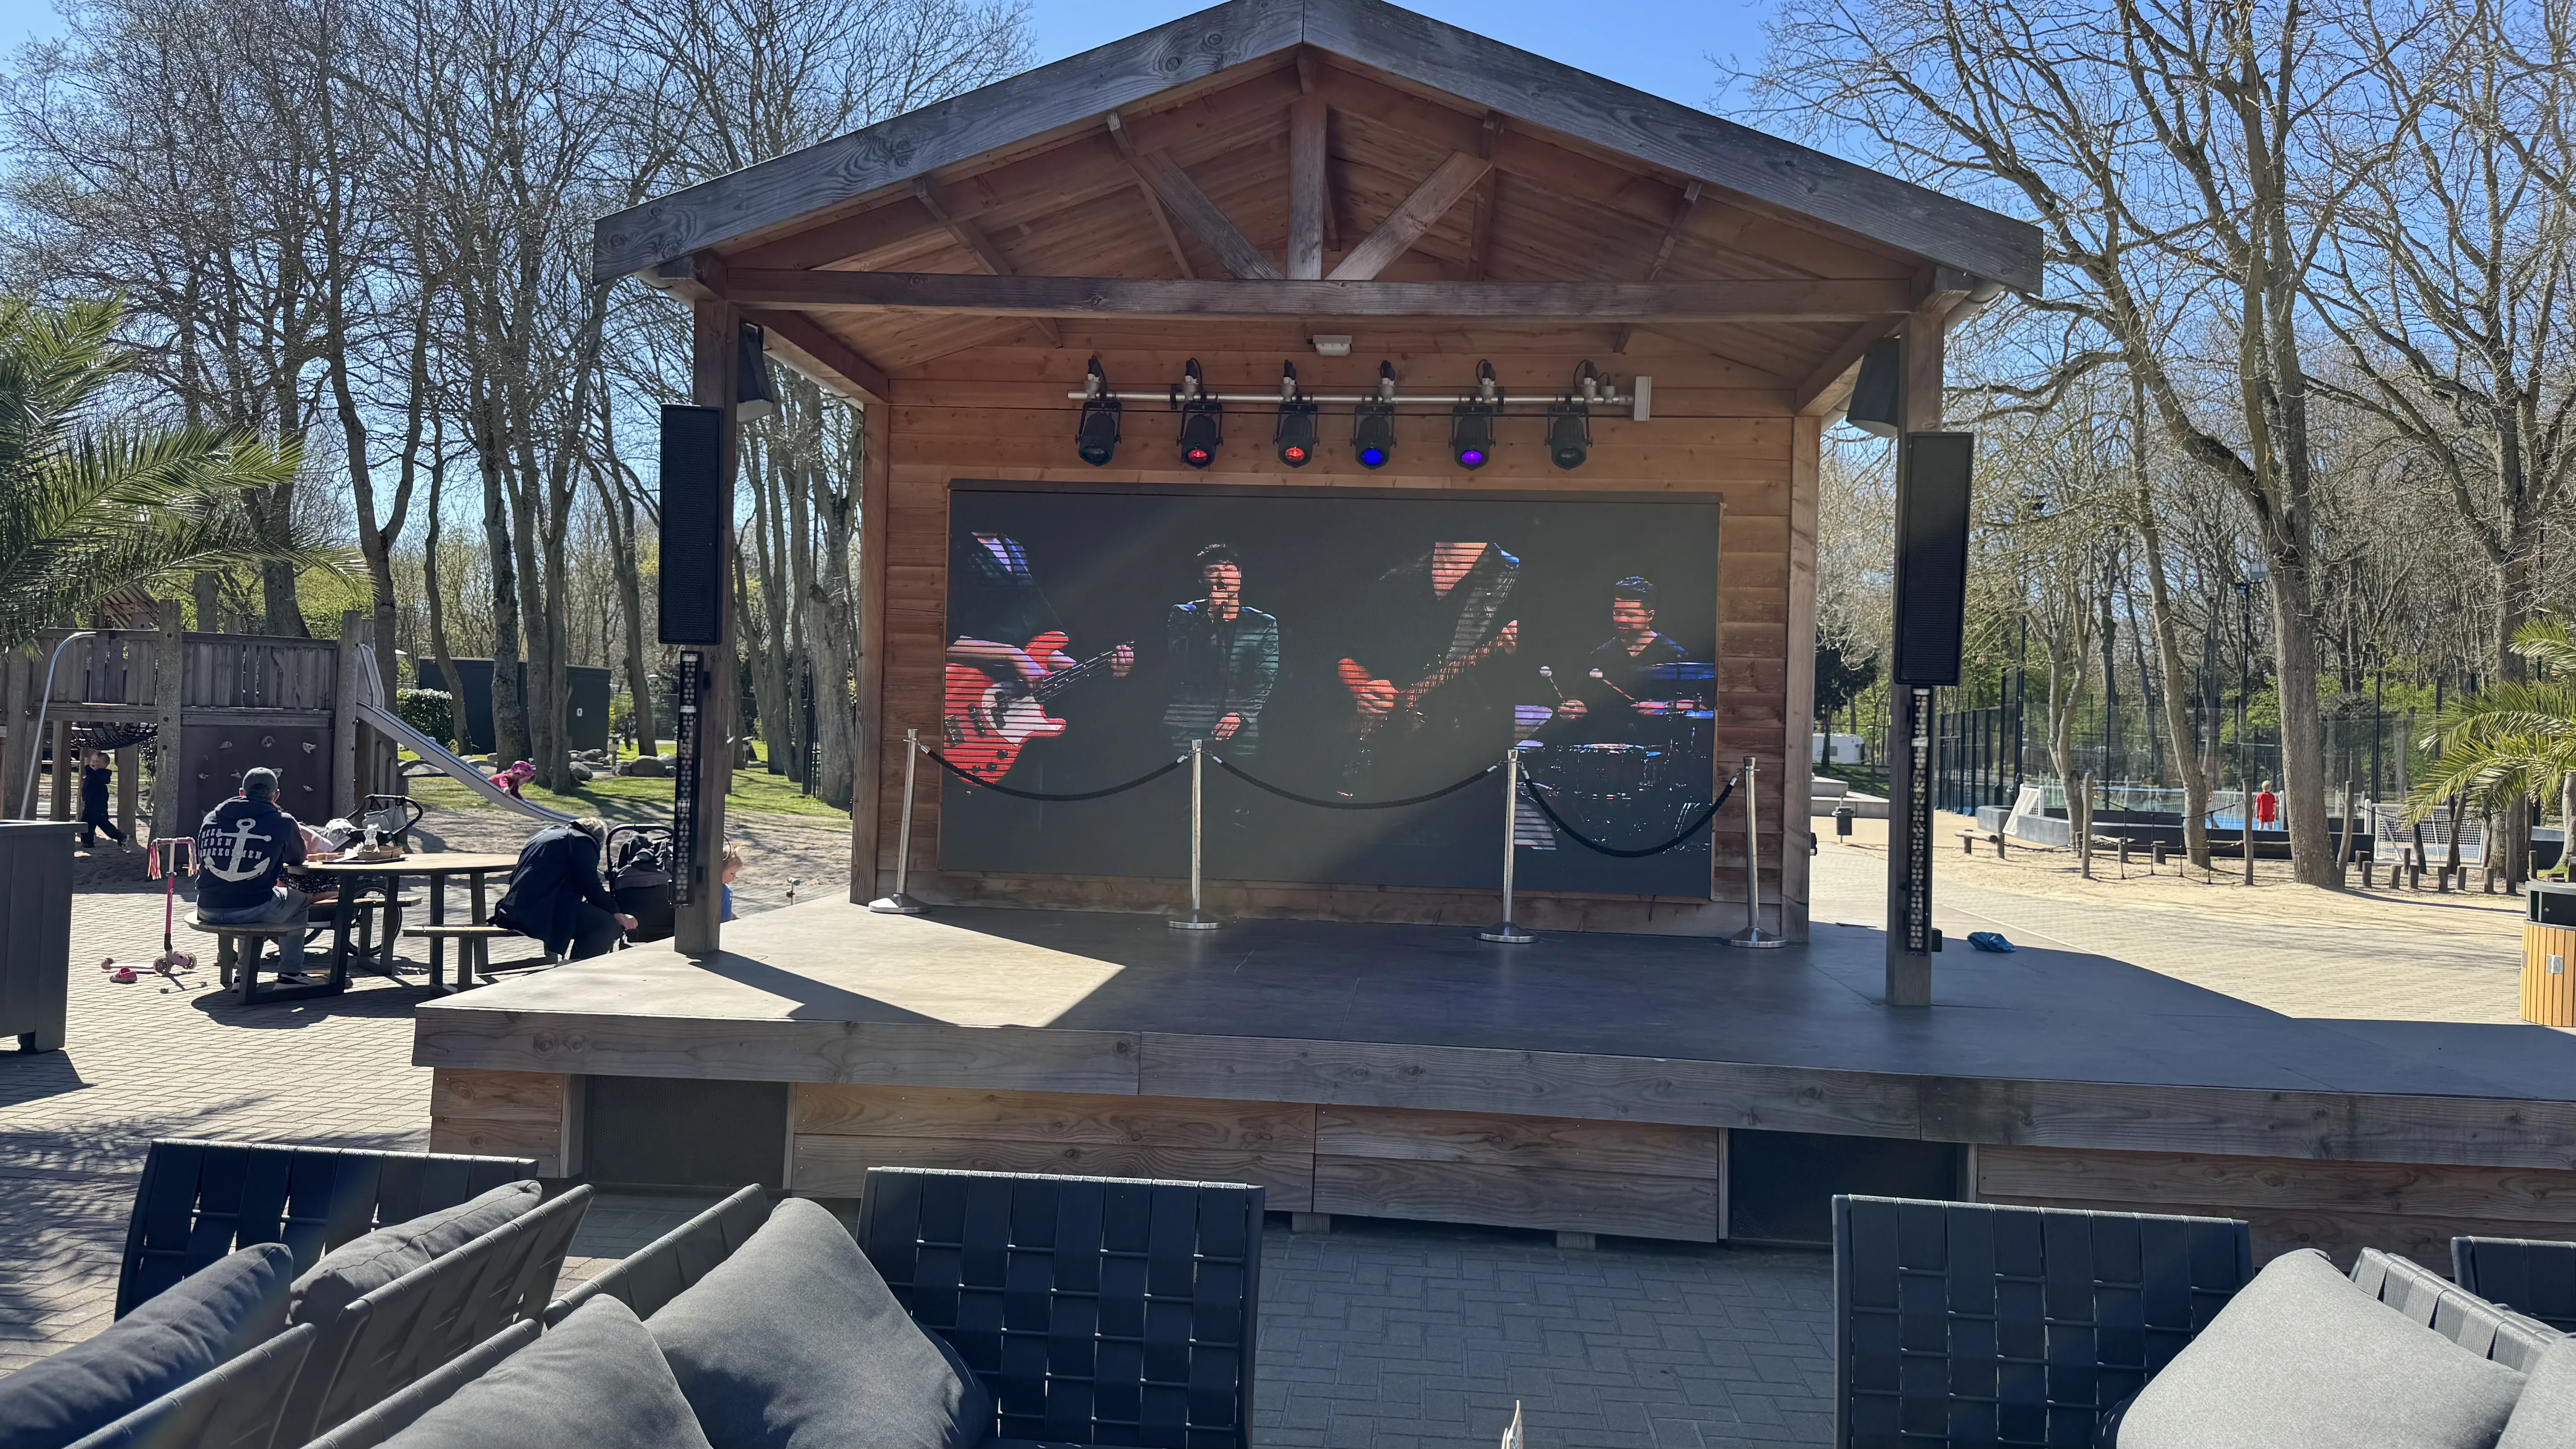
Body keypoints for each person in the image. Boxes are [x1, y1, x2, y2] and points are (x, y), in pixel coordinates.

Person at [1338, 541, 1522, 785]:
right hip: (1389, 761)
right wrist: (1365, 690)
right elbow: (1345, 652)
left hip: (1468, 765)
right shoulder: (1396, 570)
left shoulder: (1517, 581)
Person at [1162, 544, 1279, 760]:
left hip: (1241, 727)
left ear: (1240, 575)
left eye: (1227, 568)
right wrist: (1210, 617)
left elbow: (1265, 675)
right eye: (1213, 571)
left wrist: (1241, 715)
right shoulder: (1184, 615)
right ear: (1202, 580)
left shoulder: (1262, 623)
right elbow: (1182, 659)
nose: (1221, 576)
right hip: (1189, 724)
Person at [1546, 577, 1693, 745]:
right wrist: (1575, 707)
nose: (1622, 620)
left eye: (1631, 615)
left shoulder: (1674, 655)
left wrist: (1666, 707)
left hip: (1659, 746)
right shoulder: (1600, 656)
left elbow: (1700, 707)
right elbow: (1581, 699)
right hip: (1608, 746)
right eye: (1618, 613)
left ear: (1649, 616)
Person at [193, 767, 311, 977]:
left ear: (242, 793)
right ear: (276, 796)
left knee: (248, 897)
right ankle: (291, 975)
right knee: (298, 901)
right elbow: (297, 859)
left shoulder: (212, 817)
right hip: (250, 909)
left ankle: (243, 976)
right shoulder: (282, 821)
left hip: (206, 907)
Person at [492, 816, 637, 962]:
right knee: (606, 923)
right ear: (598, 839)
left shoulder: (546, 835)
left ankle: (574, 964)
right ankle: (578, 968)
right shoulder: (582, 842)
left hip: (511, 910)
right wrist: (616, 913)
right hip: (540, 912)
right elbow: (590, 884)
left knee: (588, 916)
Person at [77, 749, 125, 850]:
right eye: (93, 761)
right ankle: (88, 842)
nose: (94, 763)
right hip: (90, 805)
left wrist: (87, 766)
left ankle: (121, 837)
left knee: (104, 825)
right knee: (86, 823)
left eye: (97, 762)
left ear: (104, 765)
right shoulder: (91, 773)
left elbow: (92, 777)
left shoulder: (102, 774)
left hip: (99, 807)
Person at [721, 842, 745, 922]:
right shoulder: (713, 891)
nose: (734, 877)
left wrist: (735, 918)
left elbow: (726, 909)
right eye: (732, 873)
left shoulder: (726, 889)